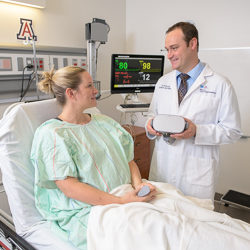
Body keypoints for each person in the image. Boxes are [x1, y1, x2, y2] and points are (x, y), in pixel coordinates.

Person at [30, 66, 156, 249]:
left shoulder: (104, 122)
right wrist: (121, 201)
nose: (96, 91)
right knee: (149, 233)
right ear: (71, 93)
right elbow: (70, 188)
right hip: (88, 209)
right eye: (89, 86)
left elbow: (127, 160)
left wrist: (139, 185)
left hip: (127, 195)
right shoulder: (53, 134)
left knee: (174, 212)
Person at [145, 22, 242, 201]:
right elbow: (152, 115)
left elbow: (233, 131)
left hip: (197, 178)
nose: (169, 55)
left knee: (195, 224)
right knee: (161, 223)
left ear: (192, 44)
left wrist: (197, 131)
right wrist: (150, 125)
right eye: (167, 49)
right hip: (163, 171)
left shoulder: (220, 84)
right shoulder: (163, 82)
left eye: (174, 48)